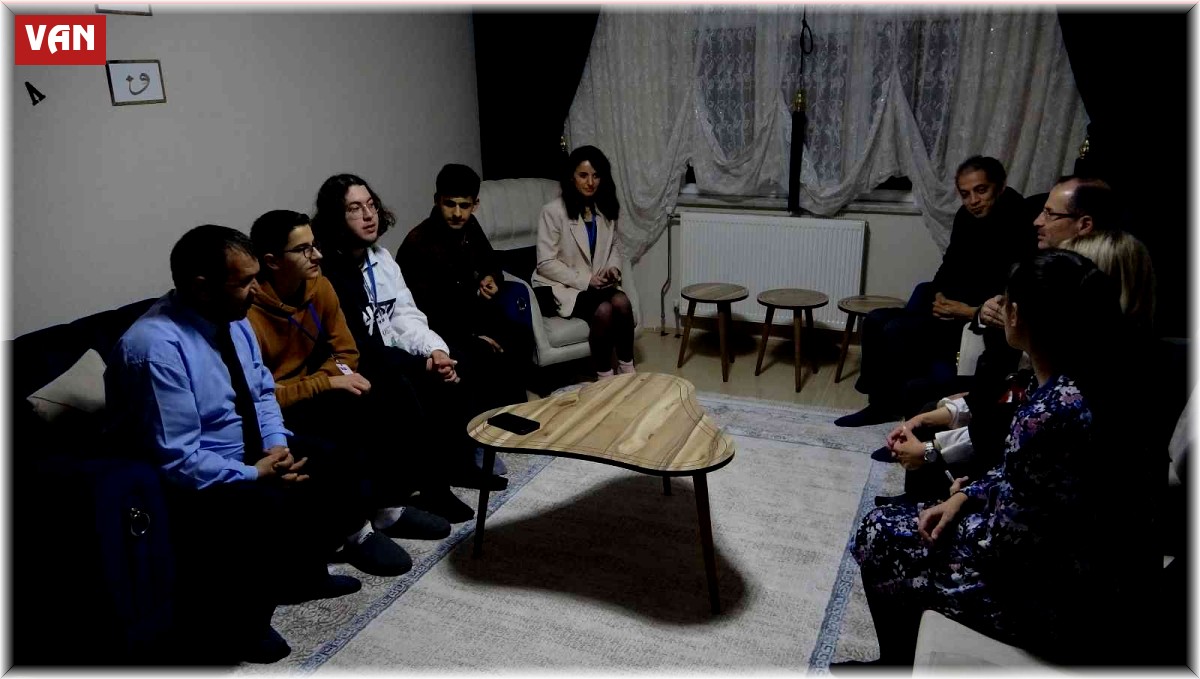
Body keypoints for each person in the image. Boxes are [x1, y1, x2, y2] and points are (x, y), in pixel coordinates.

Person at [105, 225, 410, 664]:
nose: (256, 290)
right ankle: (242, 624)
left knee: (325, 458)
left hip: (247, 448)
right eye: (245, 281)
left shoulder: (233, 320)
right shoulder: (156, 349)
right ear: (202, 287)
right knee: (263, 501)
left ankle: (303, 576)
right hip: (191, 475)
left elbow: (262, 393)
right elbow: (177, 459)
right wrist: (255, 472)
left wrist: (275, 445)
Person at [844, 249, 1152, 668]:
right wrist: (966, 495)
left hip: (1052, 600)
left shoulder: (1051, 412)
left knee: (877, 532)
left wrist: (963, 508)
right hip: (1080, 566)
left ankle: (894, 665)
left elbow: (1008, 546)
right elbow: (1026, 478)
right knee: (905, 520)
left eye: (1005, 301)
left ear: (1017, 316)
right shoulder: (1086, 375)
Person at [880, 228, 1157, 504]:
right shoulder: (1055, 359)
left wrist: (934, 454)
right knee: (926, 403)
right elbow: (994, 389)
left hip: (1018, 506)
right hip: (994, 467)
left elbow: (1004, 445)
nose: (1038, 221)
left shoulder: (1077, 384)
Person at [246, 209, 466, 529]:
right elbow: (262, 396)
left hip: (318, 383)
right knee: (349, 414)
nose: (317, 255)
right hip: (281, 406)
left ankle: (397, 502)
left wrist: (326, 378)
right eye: (303, 249)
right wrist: (327, 383)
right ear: (272, 261)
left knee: (390, 385)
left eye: (314, 245)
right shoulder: (247, 315)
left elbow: (346, 351)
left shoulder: (318, 286)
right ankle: (356, 525)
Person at [311, 173, 508, 492]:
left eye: (371, 205)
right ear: (336, 217)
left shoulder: (381, 258)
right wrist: (422, 363)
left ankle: (460, 463)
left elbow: (405, 315)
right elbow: (357, 345)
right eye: (355, 208)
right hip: (360, 362)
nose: (369, 215)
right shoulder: (329, 272)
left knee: (456, 363)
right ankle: (431, 485)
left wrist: (435, 350)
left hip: (393, 352)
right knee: (411, 383)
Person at [836, 156, 1033, 427]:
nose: (973, 201)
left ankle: (903, 412)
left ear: (999, 186)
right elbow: (949, 264)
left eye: (981, 190)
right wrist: (939, 294)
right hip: (950, 306)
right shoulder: (965, 217)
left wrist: (967, 311)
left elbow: (1009, 293)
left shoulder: (1019, 221)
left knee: (896, 330)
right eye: (965, 194)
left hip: (974, 321)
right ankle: (880, 404)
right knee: (875, 320)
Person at [397, 163, 530, 411]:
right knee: (482, 354)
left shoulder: (471, 226)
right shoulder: (419, 243)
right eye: (450, 204)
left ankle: (518, 413)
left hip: (473, 315)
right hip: (439, 329)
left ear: (475, 204)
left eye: (464, 206)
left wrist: (491, 278)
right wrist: (472, 337)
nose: (457, 213)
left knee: (518, 337)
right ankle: (487, 422)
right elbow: (423, 311)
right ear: (437, 201)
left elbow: (492, 263)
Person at [531, 145, 635, 379]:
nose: (590, 182)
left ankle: (627, 368)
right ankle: (604, 376)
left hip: (596, 284)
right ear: (572, 177)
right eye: (583, 175)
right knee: (604, 309)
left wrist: (613, 269)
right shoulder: (552, 211)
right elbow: (545, 262)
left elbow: (615, 247)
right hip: (562, 286)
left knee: (622, 302)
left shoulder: (605, 208)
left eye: (596, 176)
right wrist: (587, 280)